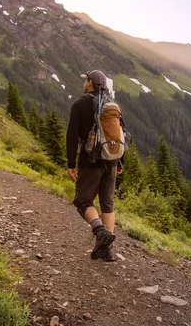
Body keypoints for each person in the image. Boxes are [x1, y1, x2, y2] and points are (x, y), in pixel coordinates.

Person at [66, 70, 122, 262]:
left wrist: (71, 164)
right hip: (112, 159)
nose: (85, 83)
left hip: (91, 161)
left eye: (86, 80)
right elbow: (119, 134)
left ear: (89, 83)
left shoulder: (80, 104)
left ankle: (100, 232)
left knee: (82, 201)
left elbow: (72, 137)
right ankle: (107, 251)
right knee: (108, 204)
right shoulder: (111, 104)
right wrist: (119, 161)